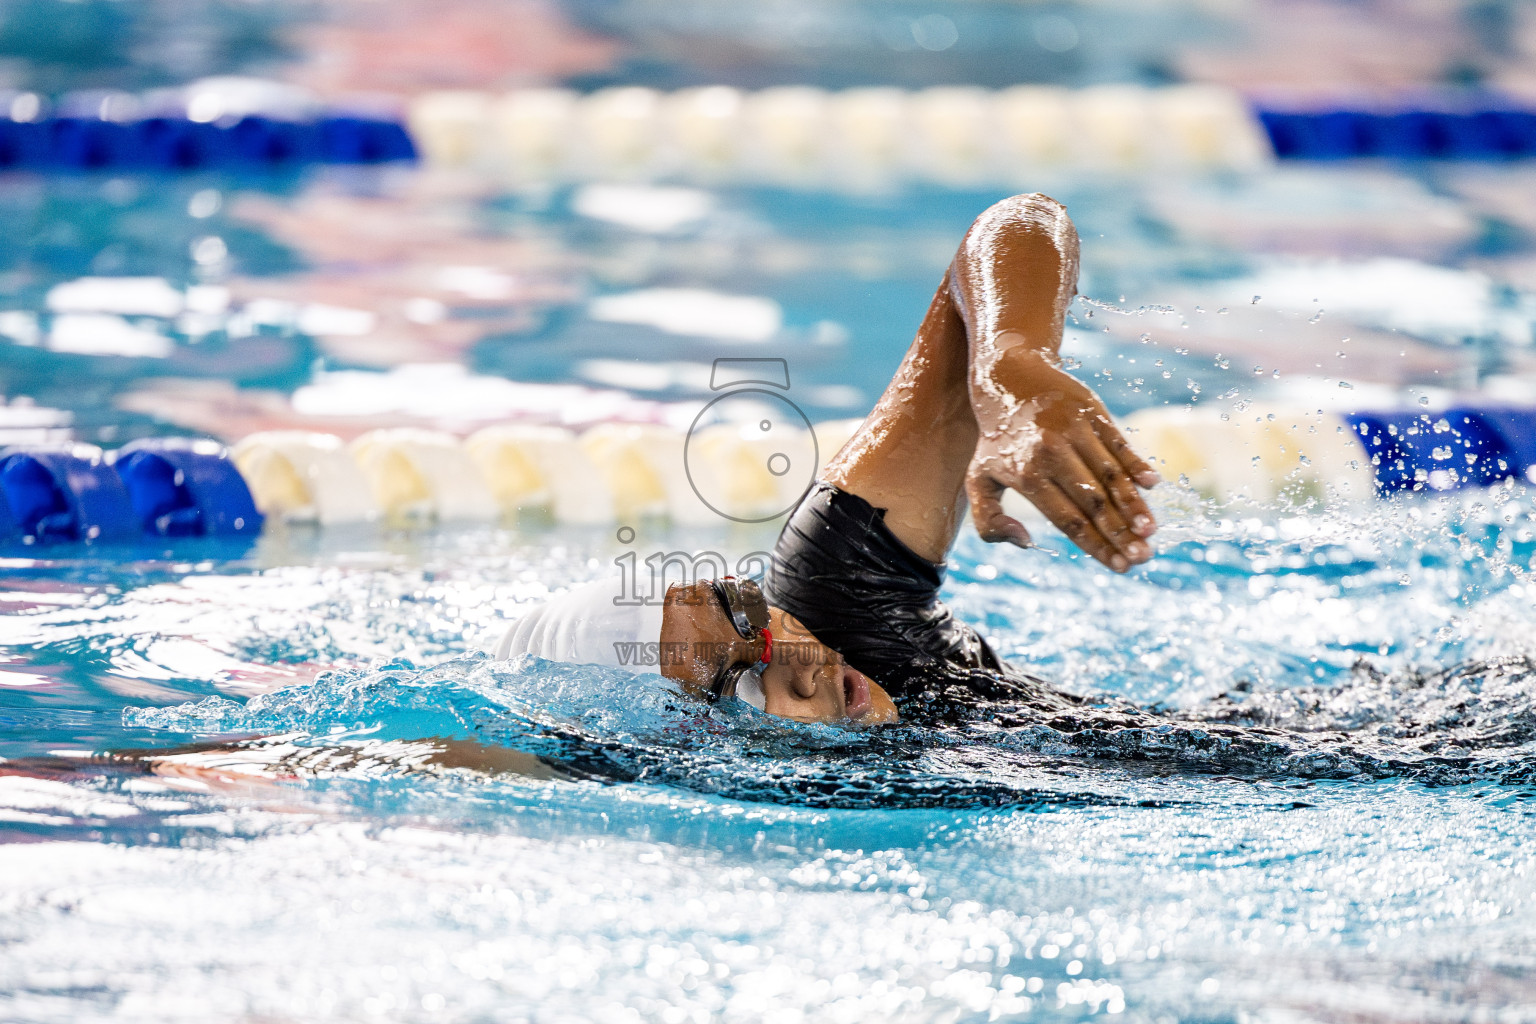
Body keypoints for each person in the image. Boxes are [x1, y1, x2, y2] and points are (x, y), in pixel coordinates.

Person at [499, 193, 1160, 726]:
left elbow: (1018, 223)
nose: (802, 660)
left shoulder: (837, 600)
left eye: (742, 612)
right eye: (738, 682)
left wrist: (1010, 367)